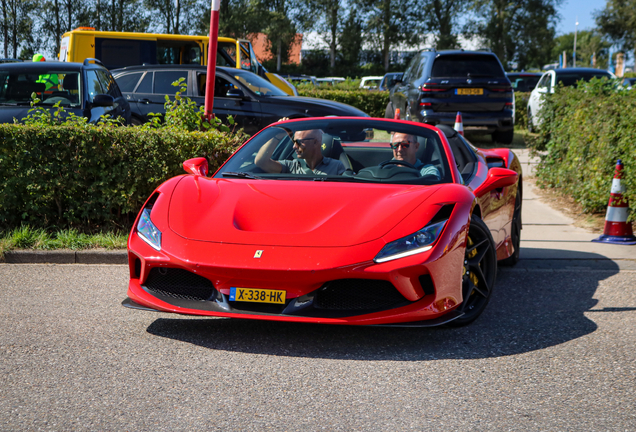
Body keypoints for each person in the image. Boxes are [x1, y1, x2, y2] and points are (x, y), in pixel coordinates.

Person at [255, 128, 345, 175]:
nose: (294, 146)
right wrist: (278, 135)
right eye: (294, 142)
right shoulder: (292, 166)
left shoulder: (336, 166)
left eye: (299, 142)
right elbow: (261, 162)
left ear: (315, 142)